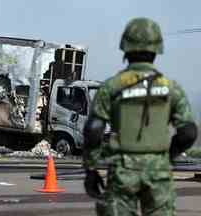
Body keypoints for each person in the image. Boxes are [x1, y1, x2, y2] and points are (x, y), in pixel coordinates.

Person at [83, 17, 197, 216]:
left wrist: (91, 169)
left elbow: (93, 130)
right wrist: (167, 157)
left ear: (125, 47)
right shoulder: (170, 88)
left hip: (122, 171)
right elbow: (188, 132)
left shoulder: (112, 86)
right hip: (158, 171)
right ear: (157, 49)